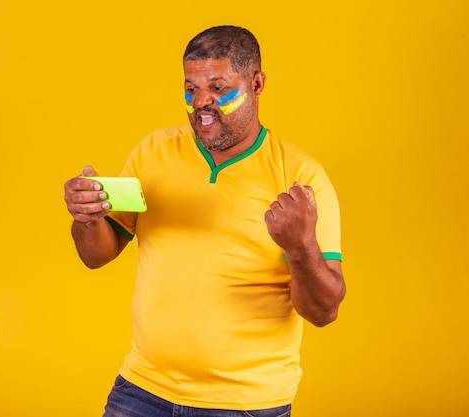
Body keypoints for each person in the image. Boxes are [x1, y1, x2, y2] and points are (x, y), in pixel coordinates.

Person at [64, 25, 346, 417]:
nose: (201, 102)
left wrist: (300, 247)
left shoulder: (301, 179)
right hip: (142, 389)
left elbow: (323, 312)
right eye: (191, 89)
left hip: (246, 405)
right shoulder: (153, 152)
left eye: (219, 88)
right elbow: (97, 255)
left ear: (257, 83)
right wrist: (86, 217)